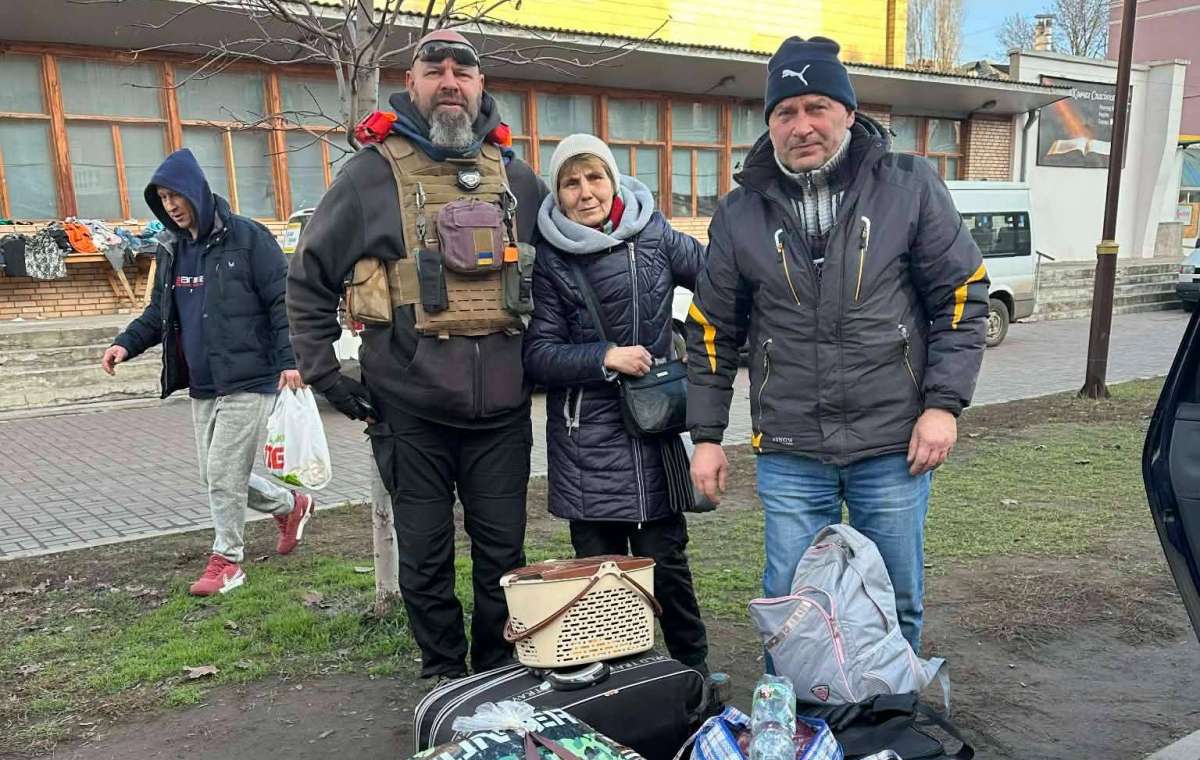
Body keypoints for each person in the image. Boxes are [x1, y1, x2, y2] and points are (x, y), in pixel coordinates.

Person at [685, 36, 988, 652]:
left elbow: (961, 298)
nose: (802, 125)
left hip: (893, 444)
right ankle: (798, 733)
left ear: (849, 112)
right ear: (769, 124)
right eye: (785, 112)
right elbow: (713, 330)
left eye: (817, 106)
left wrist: (941, 407)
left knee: (894, 596)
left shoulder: (909, 186)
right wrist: (708, 439)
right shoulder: (740, 212)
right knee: (793, 600)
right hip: (792, 449)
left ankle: (888, 723)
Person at [286, 29, 548, 680]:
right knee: (425, 559)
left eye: (465, 70)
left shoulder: (515, 178)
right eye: (436, 70)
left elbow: (569, 269)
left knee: (503, 557)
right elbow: (308, 277)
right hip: (410, 417)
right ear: (414, 81)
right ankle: (442, 675)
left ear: (481, 85)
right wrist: (328, 377)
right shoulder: (371, 175)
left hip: (502, 419)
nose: (451, 81)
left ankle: (492, 674)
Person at [523, 135, 710, 673]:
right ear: (557, 193)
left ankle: (693, 675)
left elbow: (718, 282)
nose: (586, 193)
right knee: (599, 578)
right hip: (586, 443)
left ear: (613, 179)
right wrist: (605, 355)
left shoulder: (653, 234)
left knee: (667, 564)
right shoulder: (551, 257)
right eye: (571, 183)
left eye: (595, 178)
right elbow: (538, 355)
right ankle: (617, 683)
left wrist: (700, 346)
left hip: (652, 432)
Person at [101, 148, 314, 597]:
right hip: (203, 384)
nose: (172, 205)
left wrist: (290, 361)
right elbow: (160, 313)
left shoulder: (249, 238)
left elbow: (283, 303)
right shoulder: (174, 248)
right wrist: (126, 343)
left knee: (222, 473)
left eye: (176, 195)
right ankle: (289, 504)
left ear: (195, 190)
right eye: (162, 198)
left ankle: (227, 561)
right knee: (217, 475)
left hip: (250, 378)